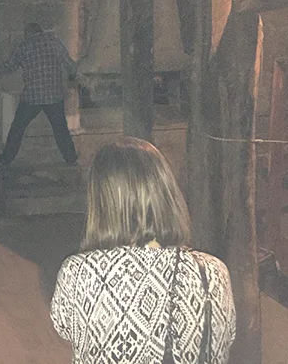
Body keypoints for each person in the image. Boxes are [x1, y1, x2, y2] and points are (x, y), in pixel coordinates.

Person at [50, 137, 236, 363]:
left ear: (102, 202)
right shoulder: (214, 272)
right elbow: (225, 338)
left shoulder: (79, 272)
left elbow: (63, 326)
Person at [0, 22, 77, 166]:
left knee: (17, 129)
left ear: (28, 33)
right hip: (54, 96)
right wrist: (72, 79)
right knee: (61, 130)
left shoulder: (24, 47)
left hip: (32, 97)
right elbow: (70, 65)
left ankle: (6, 159)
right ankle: (71, 159)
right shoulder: (54, 43)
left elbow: (8, 67)